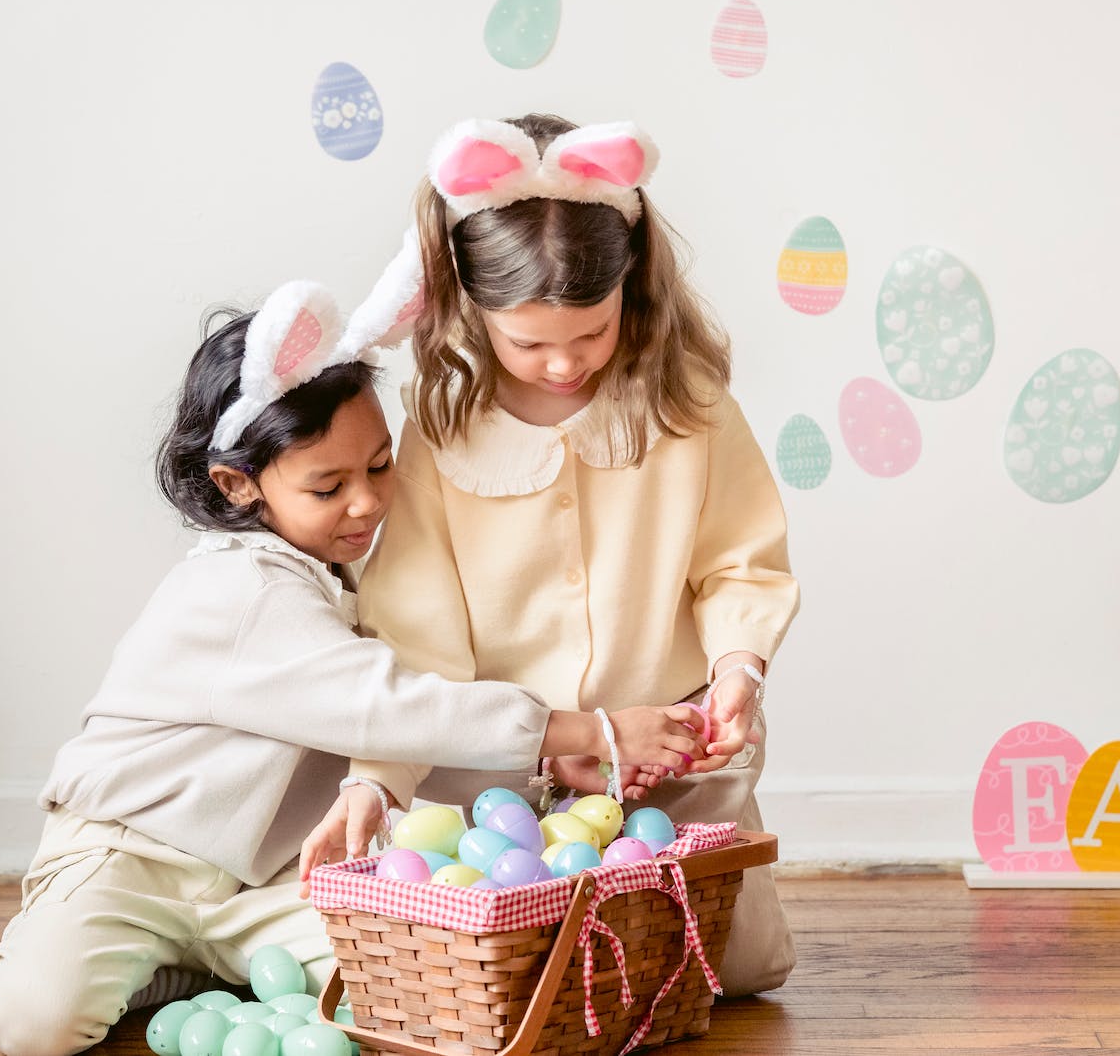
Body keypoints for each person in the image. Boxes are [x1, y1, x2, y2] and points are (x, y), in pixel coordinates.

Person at [0, 280, 704, 1056]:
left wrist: (544, 781)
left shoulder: (338, 580)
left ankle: (200, 963)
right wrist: (587, 727)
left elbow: (399, 745)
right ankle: (130, 950)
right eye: (328, 486)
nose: (367, 504)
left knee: (410, 983)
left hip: (263, 881)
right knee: (34, 1025)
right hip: (137, 858)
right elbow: (388, 706)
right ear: (238, 484)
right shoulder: (239, 588)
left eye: (381, 467)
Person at [301, 114, 801, 995]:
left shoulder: (688, 403)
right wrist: (376, 783)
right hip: (507, 791)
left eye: (592, 333)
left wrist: (738, 670)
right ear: (470, 307)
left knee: (742, 970)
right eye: (527, 342)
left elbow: (740, 561)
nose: (564, 364)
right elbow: (415, 638)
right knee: (529, 978)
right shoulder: (445, 428)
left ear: (630, 293)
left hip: (669, 765)